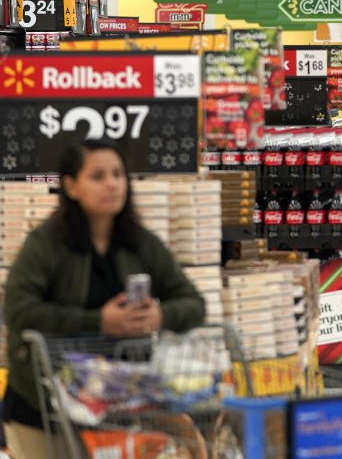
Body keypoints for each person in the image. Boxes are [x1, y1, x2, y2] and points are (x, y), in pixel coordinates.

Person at [2, 140, 206, 457]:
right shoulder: (46, 244)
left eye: (118, 174)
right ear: (70, 186)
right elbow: (18, 309)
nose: (112, 184)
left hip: (118, 409)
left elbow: (194, 303)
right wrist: (98, 322)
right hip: (43, 408)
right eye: (97, 176)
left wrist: (158, 317)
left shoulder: (140, 244)